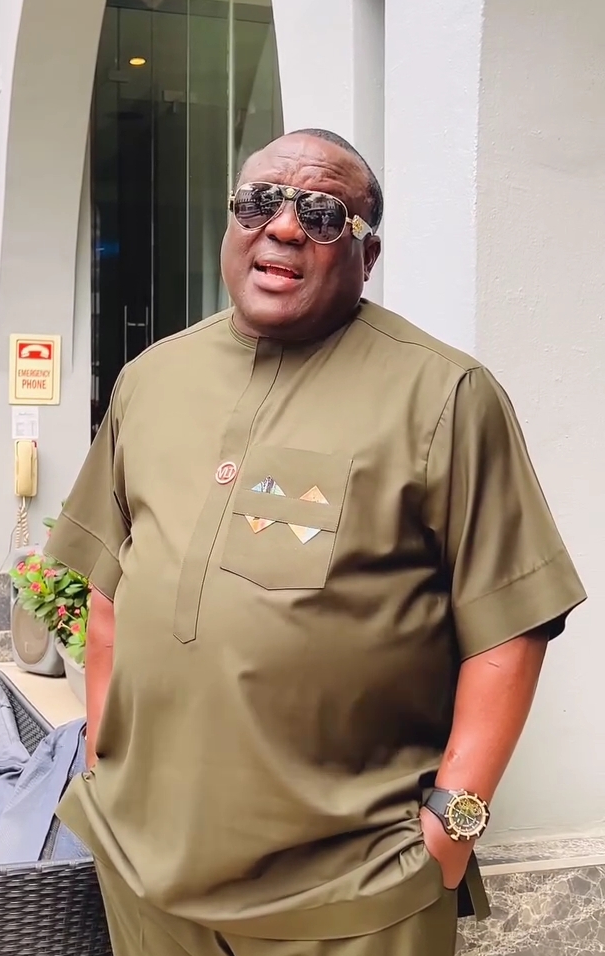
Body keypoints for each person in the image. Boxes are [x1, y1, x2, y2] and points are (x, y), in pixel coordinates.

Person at [46, 129, 586, 956]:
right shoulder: (152, 379)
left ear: (367, 256)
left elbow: (510, 626)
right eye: (260, 202)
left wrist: (453, 828)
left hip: (348, 899)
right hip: (147, 877)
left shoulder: (444, 395)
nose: (283, 226)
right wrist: (101, 754)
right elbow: (112, 584)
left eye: (323, 214)